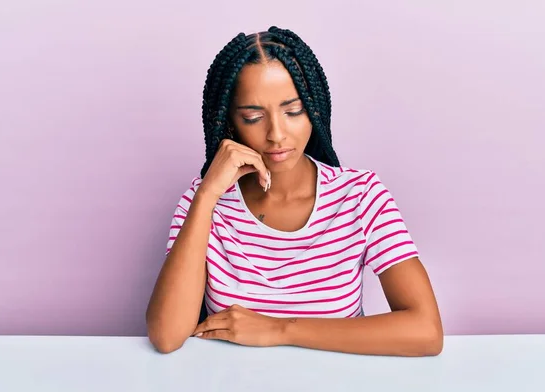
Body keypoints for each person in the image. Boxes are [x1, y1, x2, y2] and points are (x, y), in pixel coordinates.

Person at [146, 26, 443, 356]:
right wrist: (206, 196)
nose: (276, 134)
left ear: (315, 110)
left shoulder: (361, 196)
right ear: (229, 122)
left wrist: (278, 329)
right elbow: (166, 336)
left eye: (293, 111)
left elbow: (426, 331)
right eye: (253, 116)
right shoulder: (203, 203)